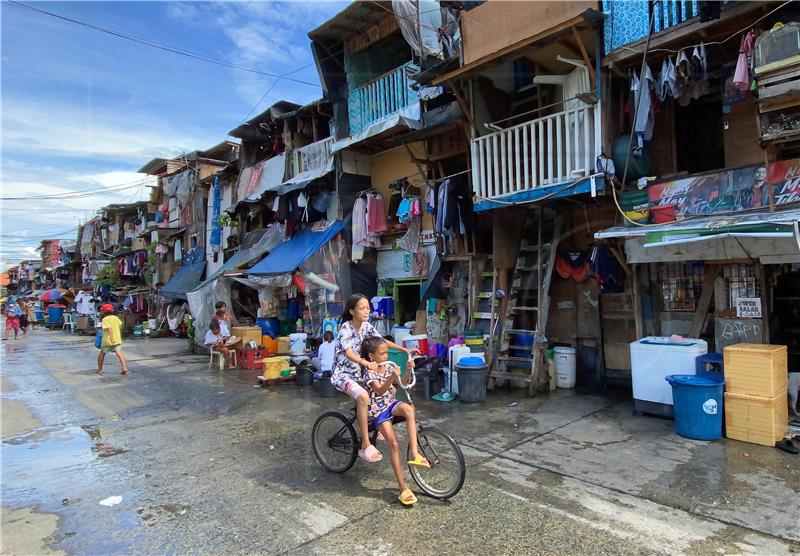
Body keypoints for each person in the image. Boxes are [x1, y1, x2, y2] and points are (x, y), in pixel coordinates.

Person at [330, 293, 415, 464]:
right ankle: (365, 445)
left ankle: (376, 424)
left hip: (361, 373)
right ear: (352, 311)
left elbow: (381, 341)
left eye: (368, 307)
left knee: (389, 389)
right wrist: (364, 362)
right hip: (344, 375)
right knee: (363, 396)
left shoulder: (367, 326)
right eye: (362, 308)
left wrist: (404, 350)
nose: (366, 311)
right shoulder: (345, 329)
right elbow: (348, 352)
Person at [361, 336, 429, 506]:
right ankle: (402, 487)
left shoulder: (388, 366)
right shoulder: (369, 371)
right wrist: (391, 376)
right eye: (382, 354)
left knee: (408, 409)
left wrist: (406, 369)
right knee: (393, 444)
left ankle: (415, 453)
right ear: (371, 356)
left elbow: (403, 383)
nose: (386, 356)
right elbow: (381, 389)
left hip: (390, 403)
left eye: (386, 353)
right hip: (378, 411)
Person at [97, 304, 128, 375]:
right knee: (119, 353)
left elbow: (109, 328)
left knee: (102, 353)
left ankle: (100, 369)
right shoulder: (116, 318)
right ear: (113, 311)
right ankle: (124, 367)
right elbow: (120, 325)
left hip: (108, 340)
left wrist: (111, 338)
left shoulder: (105, 319)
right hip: (117, 339)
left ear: (103, 312)